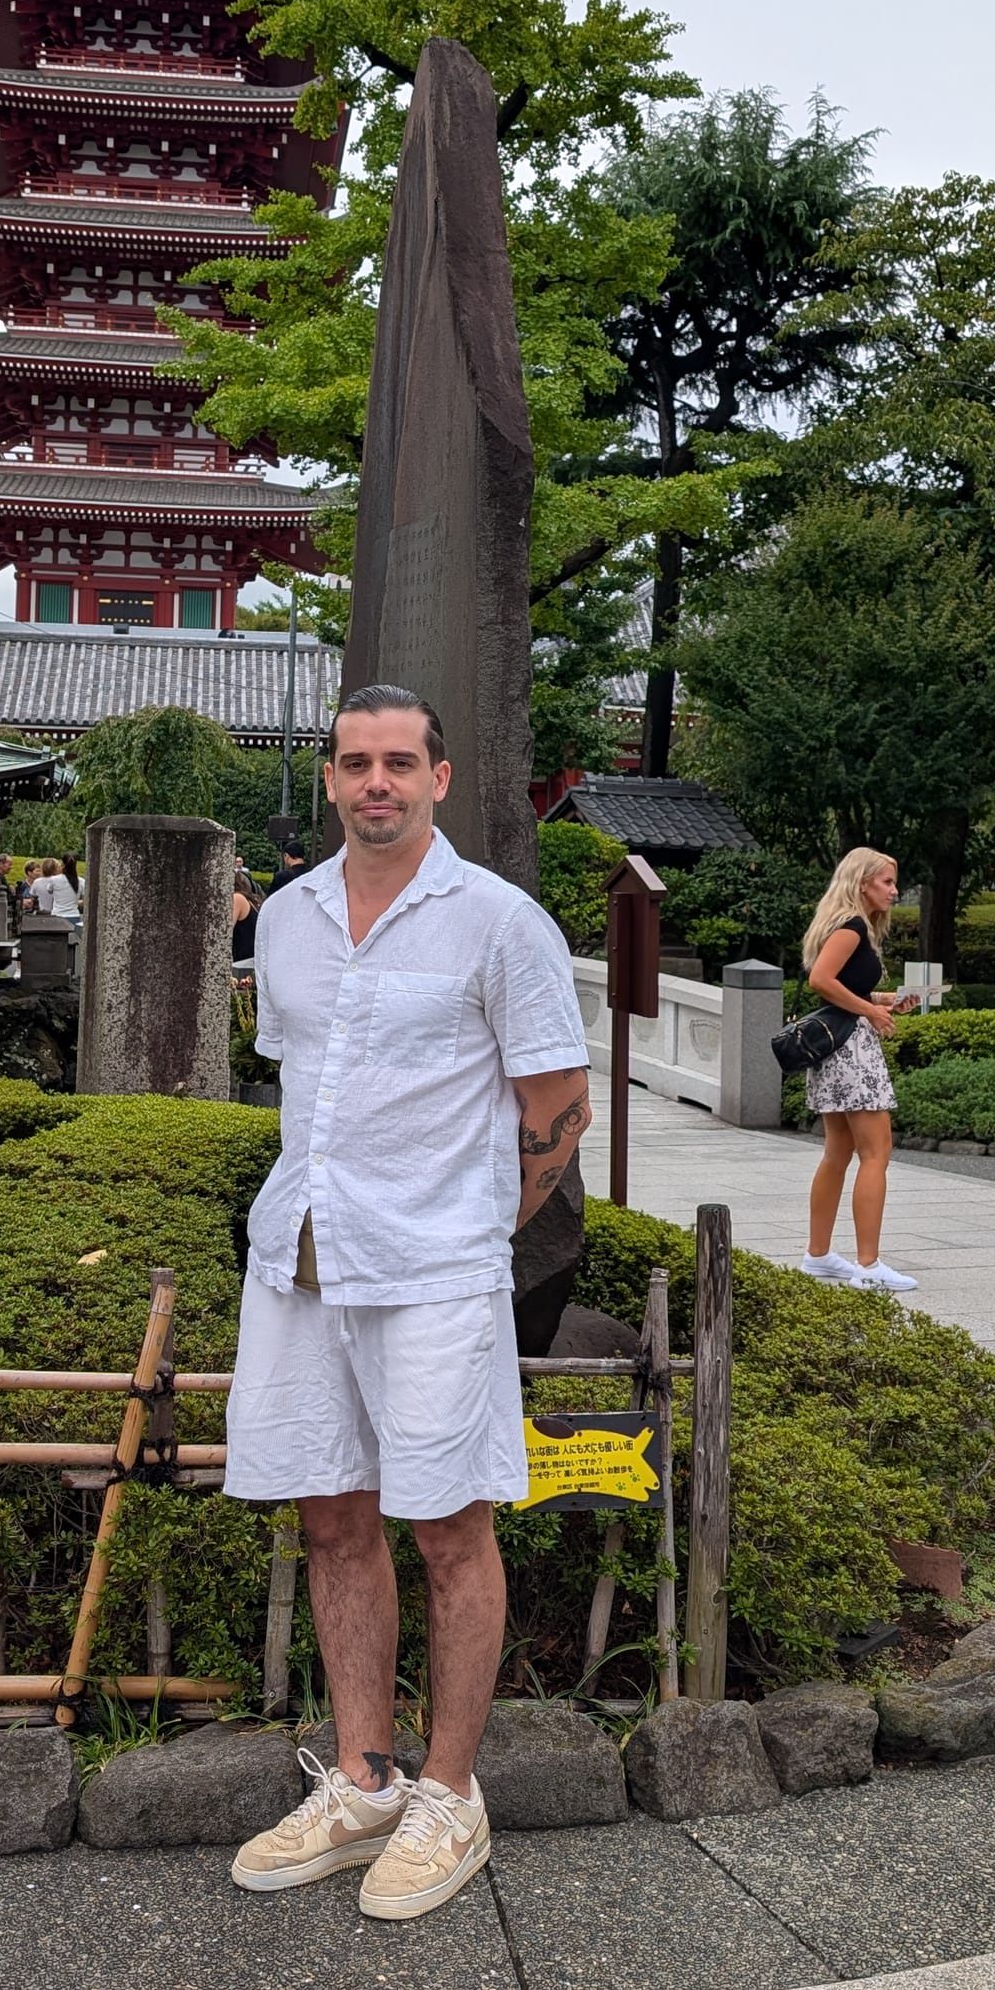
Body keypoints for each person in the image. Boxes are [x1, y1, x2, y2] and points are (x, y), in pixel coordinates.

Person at [224, 683, 591, 1922]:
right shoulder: (287, 919)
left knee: (450, 1528)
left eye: (399, 763)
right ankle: (366, 1777)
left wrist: (475, 1230)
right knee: (334, 1517)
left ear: (440, 778)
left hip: (436, 1270)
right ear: (330, 779)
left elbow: (556, 1108)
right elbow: (308, 1085)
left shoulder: (499, 922)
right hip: (305, 1258)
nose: (375, 782)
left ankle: (450, 1792)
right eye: (354, 763)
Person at [797, 848, 919, 1293]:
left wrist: (886, 1000)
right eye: (886, 881)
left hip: (836, 1049)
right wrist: (871, 1009)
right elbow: (821, 981)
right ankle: (868, 1265)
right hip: (852, 1051)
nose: (894, 890)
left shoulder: (847, 926)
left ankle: (819, 1254)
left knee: (838, 1152)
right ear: (862, 882)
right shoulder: (850, 928)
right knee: (876, 1152)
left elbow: (841, 987)